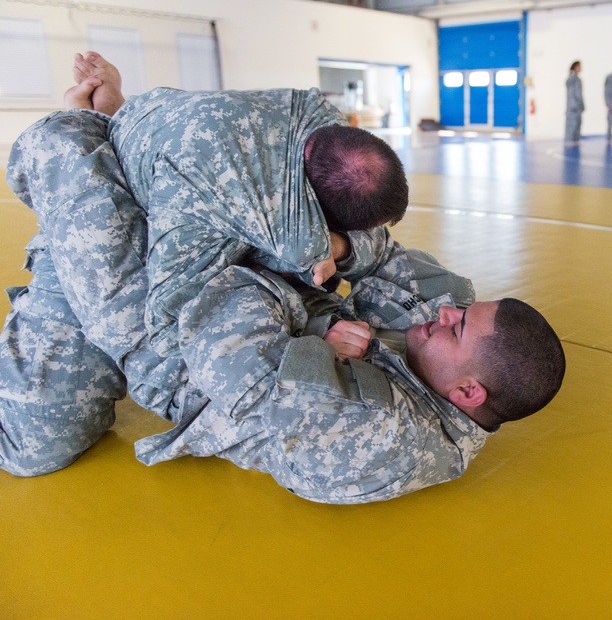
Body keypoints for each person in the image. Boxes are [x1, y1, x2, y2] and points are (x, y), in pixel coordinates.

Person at [0, 69, 566, 504]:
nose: (448, 313)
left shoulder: (377, 442)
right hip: (265, 287)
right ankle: (141, 145)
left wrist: (301, 297)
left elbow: (223, 339)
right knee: (277, 208)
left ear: (467, 394)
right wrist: (334, 251)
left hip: (172, 344)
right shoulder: (448, 348)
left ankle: (83, 130)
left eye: (458, 326)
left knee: (32, 445)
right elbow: (385, 254)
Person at [71, 52, 409, 360]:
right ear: (315, 215)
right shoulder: (201, 203)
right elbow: (167, 328)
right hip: (132, 166)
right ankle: (85, 119)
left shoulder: (320, 119)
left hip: (157, 111)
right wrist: (309, 341)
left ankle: (113, 109)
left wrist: (334, 246)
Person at [565, 61, 584, 146]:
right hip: (573, 108)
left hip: (578, 108)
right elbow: (571, 94)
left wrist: (582, 106)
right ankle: (569, 143)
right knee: (571, 127)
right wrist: (573, 105)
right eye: (579, 66)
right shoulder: (571, 79)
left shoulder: (578, 79)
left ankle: (575, 143)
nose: (581, 68)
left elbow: (579, 95)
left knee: (577, 127)